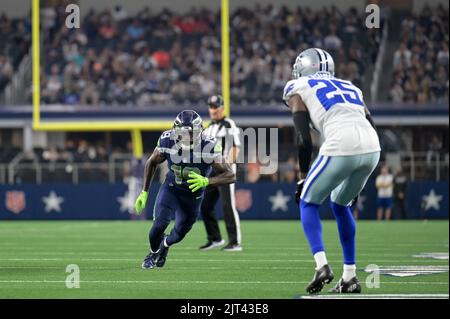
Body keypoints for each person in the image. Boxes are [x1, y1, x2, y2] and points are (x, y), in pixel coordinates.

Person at [283, 48, 381, 294]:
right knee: (340, 205)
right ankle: (350, 277)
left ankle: (321, 266)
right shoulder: (351, 87)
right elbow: (370, 122)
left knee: (308, 201)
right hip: (372, 146)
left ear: (302, 68)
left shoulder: (298, 86)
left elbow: (303, 138)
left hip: (341, 142)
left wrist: (303, 177)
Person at [134, 110, 235, 269]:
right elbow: (151, 162)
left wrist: (207, 181)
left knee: (179, 234)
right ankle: (152, 254)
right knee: (158, 226)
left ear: (199, 132)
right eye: (182, 133)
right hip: (172, 189)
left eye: (191, 133)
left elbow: (230, 175)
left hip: (193, 197)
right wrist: (144, 192)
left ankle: (165, 245)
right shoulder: (167, 140)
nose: (187, 137)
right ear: (175, 131)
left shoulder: (208, 146)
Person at [199, 95, 243, 251]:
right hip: (212, 171)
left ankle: (235, 242)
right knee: (205, 205)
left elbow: (236, 147)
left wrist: (227, 167)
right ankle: (215, 238)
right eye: (211, 107)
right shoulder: (209, 127)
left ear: (223, 108)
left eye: (215, 106)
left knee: (227, 205)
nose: (213, 110)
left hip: (225, 170)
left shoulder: (228, 124)